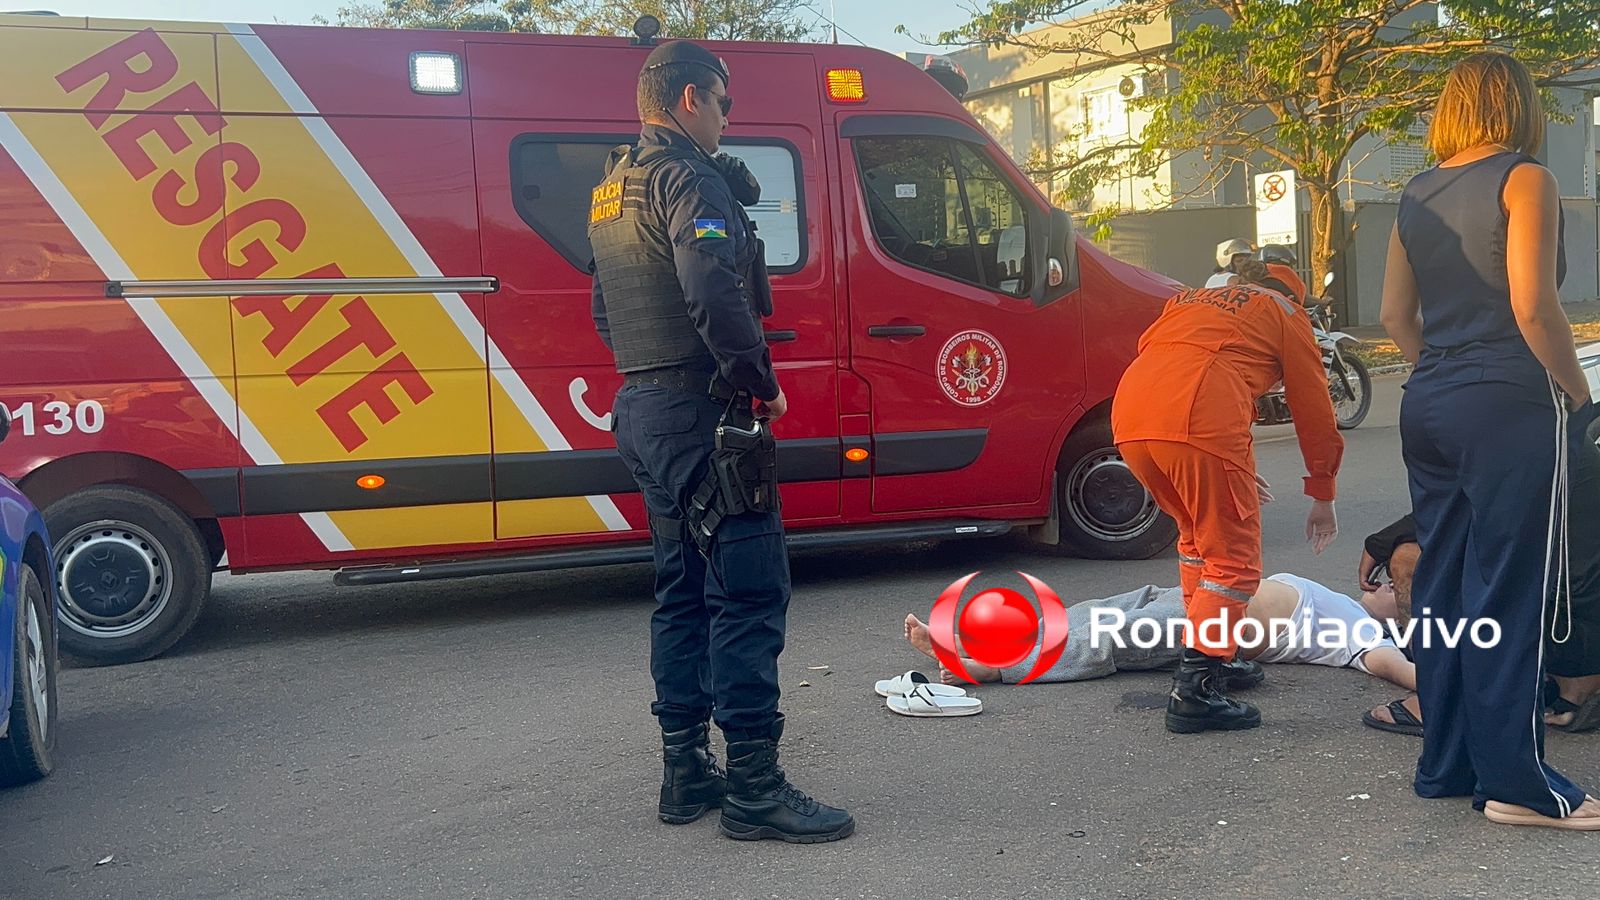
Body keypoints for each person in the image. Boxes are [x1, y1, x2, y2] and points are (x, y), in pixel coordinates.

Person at [587, 39, 853, 843]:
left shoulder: (611, 187)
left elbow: (604, 306)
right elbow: (711, 284)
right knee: (747, 588)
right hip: (702, 412)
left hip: (643, 407)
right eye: (727, 102)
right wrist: (755, 377)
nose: (730, 119)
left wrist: (653, 374)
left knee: (681, 591)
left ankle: (684, 772)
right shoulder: (686, 176)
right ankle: (755, 789)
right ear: (692, 98)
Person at [1379, 50, 1600, 830]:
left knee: (1442, 589)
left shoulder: (1415, 190)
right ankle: (1519, 785)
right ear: (1518, 103)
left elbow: (1395, 318)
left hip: (1429, 398)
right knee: (1508, 590)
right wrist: (1577, 391)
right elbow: (1534, 307)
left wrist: (1442, 372)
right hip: (1506, 400)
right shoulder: (1525, 177)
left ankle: (1448, 763)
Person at [1113, 258, 1344, 733]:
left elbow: (1167, 355)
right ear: (1293, 294)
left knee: (1197, 540)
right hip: (1198, 413)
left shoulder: (1187, 300)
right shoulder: (1285, 311)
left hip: (1131, 417)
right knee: (1234, 560)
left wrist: (1225, 459)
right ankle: (1197, 689)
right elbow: (1312, 404)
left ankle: (1217, 655)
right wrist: (1322, 489)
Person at [1361, 433, 1600, 736]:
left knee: (1410, 558)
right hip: (1580, 623)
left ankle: (1438, 699)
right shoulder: (1550, 419)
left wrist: (1381, 542)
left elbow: (1455, 510)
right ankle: (1576, 683)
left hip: (1563, 628)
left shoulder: (1503, 427)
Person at [900, 574, 1414, 693]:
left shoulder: (1368, 639)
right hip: (1198, 591)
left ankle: (990, 668)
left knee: (1110, 636)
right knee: (1099, 608)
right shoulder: (1350, 602)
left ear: (1400, 618)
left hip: (1214, 625)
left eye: (1399, 589)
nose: (1389, 582)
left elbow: (1404, 670)